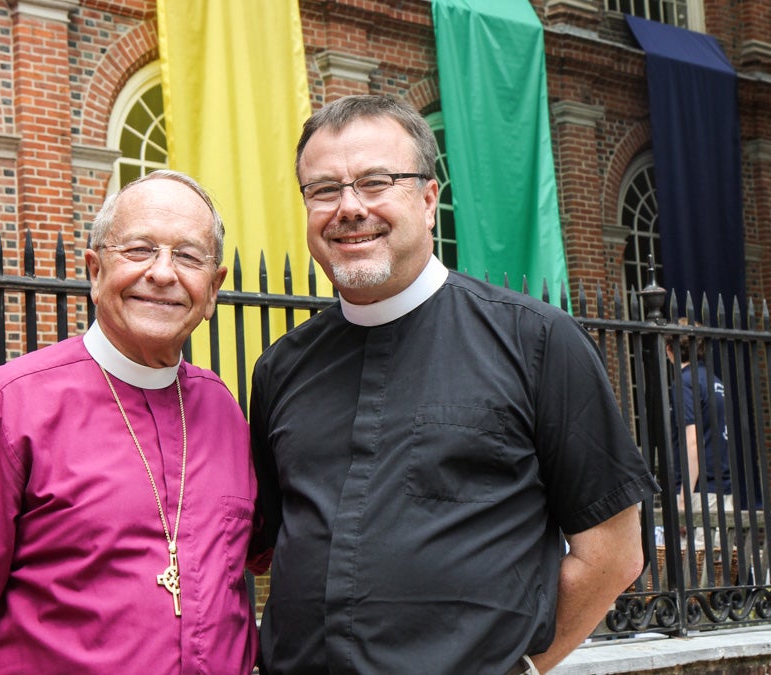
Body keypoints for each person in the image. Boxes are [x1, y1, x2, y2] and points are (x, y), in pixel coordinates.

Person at [248, 95, 659, 675]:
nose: (348, 208)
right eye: (323, 190)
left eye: (375, 182)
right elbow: (269, 545)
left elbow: (614, 554)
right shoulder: (281, 369)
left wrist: (525, 666)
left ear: (428, 198)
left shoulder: (536, 341)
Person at [0, 170, 258, 674]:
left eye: (187, 256)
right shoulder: (14, 404)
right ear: (94, 271)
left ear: (214, 288)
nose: (162, 273)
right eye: (139, 249)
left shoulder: (223, 409)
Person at [667, 318, 733, 582]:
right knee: (718, 561)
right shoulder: (715, 382)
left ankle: (696, 617)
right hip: (723, 482)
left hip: (699, 487)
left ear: (670, 349)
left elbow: (691, 440)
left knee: (693, 567)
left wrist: (684, 494)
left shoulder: (684, 382)